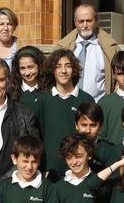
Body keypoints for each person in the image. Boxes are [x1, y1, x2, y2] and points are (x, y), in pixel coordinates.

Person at [34, 49, 94, 177]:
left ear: (74, 69)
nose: (64, 71)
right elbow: (37, 134)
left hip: (79, 168)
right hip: (50, 169)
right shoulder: (43, 100)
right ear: (53, 70)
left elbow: (92, 136)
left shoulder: (86, 99)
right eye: (58, 67)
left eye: (68, 66)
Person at [59, 4, 120, 101]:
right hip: (68, 104)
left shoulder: (110, 48)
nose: (85, 25)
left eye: (88, 21)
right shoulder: (63, 48)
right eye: (81, 21)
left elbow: (118, 79)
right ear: (75, 22)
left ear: (96, 21)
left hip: (98, 106)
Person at [10, 45, 45, 111]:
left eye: (30, 67)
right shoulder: (12, 92)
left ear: (39, 66)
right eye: (22, 68)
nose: (27, 73)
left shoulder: (48, 90)